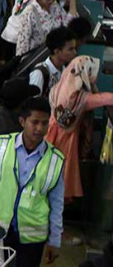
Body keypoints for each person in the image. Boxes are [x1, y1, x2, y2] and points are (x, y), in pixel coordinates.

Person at [0, 96, 63, 267]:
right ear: (22, 122)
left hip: (32, 238)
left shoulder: (55, 160)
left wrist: (54, 240)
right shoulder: (1, 146)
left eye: (44, 123)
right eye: (34, 122)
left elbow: (57, 203)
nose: (39, 128)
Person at [46, 56, 113, 202]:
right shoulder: (79, 98)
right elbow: (107, 98)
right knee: (62, 175)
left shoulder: (59, 87)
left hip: (51, 134)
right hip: (66, 140)